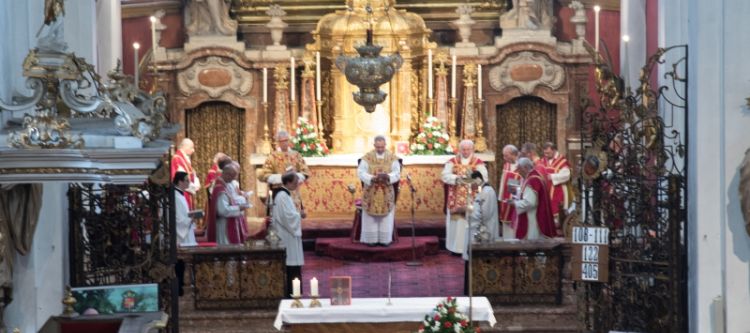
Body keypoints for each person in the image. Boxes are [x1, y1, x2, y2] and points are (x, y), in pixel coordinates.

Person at [442, 140, 488, 254]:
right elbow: (444, 175)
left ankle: (469, 247)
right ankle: (454, 248)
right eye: (463, 149)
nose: (466, 152)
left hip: (472, 197)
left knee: (468, 223)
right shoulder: (452, 161)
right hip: (455, 197)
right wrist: (457, 179)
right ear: (460, 149)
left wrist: (474, 181)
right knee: (456, 224)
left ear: (472, 149)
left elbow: (484, 178)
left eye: (468, 149)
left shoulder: (478, 163)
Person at [357, 135, 400, 246]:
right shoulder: (367, 158)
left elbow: (397, 173)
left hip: (386, 191)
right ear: (374, 145)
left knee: (386, 217)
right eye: (378, 147)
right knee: (371, 217)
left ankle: (385, 240)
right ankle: (371, 240)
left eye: (382, 147)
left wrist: (388, 176)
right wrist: (371, 178)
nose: (380, 149)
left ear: (385, 145)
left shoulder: (391, 157)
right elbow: (361, 172)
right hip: (371, 191)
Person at [463, 170, 499, 294]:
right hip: (476, 230)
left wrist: (467, 211)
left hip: (485, 232)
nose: (470, 187)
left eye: (471, 183)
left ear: (477, 181)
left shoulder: (488, 192)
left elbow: (485, 214)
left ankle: (482, 287)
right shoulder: (482, 191)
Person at [258, 131, 310, 213]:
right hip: (278, 191)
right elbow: (263, 175)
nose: (284, 143)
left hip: (293, 191)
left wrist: (294, 177)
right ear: (278, 142)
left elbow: (305, 172)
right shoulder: (272, 156)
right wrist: (281, 178)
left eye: (286, 140)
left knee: (293, 217)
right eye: (282, 141)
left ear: (289, 141)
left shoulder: (296, 155)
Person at [272, 172, 304, 297]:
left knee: (293, 263)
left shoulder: (284, 194)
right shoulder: (282, 196)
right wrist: (299, 215)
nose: (297, 185)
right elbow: (287, 217)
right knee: (291, 263)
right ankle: (291, 292)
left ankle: (293, 291)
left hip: (288, 233)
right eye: (295, 183)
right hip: (287, 234)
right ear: (288, 182)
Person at [510, 157, 556, 240]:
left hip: (533, 217)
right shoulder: (535, 177)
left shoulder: (532, 180)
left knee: (532, 244)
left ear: (526, 168)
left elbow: (530, 202)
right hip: (535, 214)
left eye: (519, 168)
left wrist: (515, 203)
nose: (518, 172)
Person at [206, 163, 249, 245]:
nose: (233, 179)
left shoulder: (224, 186)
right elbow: (222, 210)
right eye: (232, 177)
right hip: (224, 226)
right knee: (226, 247)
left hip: (226, 222)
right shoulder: (220, 189)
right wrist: (239, 208)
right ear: (227, 174)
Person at [542, 142, 572, 233]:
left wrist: (552, 177)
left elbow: (566, 175)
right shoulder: (543, 160)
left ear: (554, 150)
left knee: (557, 215)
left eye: (548, 153)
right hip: (546, 191)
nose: (546, 155)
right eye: (545, 153)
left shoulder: (562, 161)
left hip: (558, 190)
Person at [498, 144, 522, 240]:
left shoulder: (522, 165)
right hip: (506, 198)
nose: (504, 158)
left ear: (513, 154)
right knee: (506, 222)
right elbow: (502, 182)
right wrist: (500, 197)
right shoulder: (506, 165)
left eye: (506, 156)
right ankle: (506, 242)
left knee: (515, 222)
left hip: (517, 199)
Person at [171, 138, 200, 209]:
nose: (193, 150)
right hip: (184, 192)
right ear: (185, 146)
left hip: (188, 190)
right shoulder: (177, 159)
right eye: (191, 148)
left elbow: (192, 174)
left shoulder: (183, 158)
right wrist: (194, 187)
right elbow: (181, 177)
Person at [174, 171, 198, 247]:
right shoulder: (175, 196)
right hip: (182, 234)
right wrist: (190, 219)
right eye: (187, 180)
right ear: (180, 182)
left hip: (186, 229)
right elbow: (177, 219)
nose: (189, 183)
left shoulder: (179, 194)